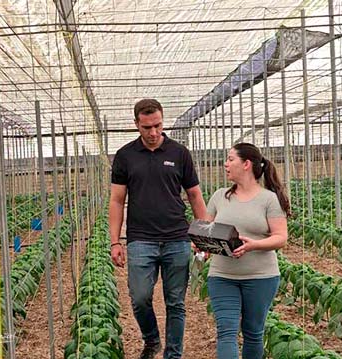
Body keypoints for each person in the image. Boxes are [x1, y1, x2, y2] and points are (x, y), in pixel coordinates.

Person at [109, 98, 206, 359]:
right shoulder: (125, 156)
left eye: (158, 126)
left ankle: (173, 354)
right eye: (146, 127)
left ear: (163, 121)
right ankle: (152, 340)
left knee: (176, 303)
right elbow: (117, 200)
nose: (153, 133)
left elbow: (195, 196)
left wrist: (204, 236)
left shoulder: (179, 153)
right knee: (140, 298)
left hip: (177, 238)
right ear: (136, 125)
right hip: (141, 239)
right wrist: (115, 241)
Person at [204, 142, 290, 359]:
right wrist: (200, 243)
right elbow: (205, 229)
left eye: (231, 159)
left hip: (261, 277)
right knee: (226, 332)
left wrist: (253, 245)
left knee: (253, 333)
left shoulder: (269, 199)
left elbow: (281, 237)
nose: (226, 164)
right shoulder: (219, 196)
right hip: (222, 276)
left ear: (246, 164)